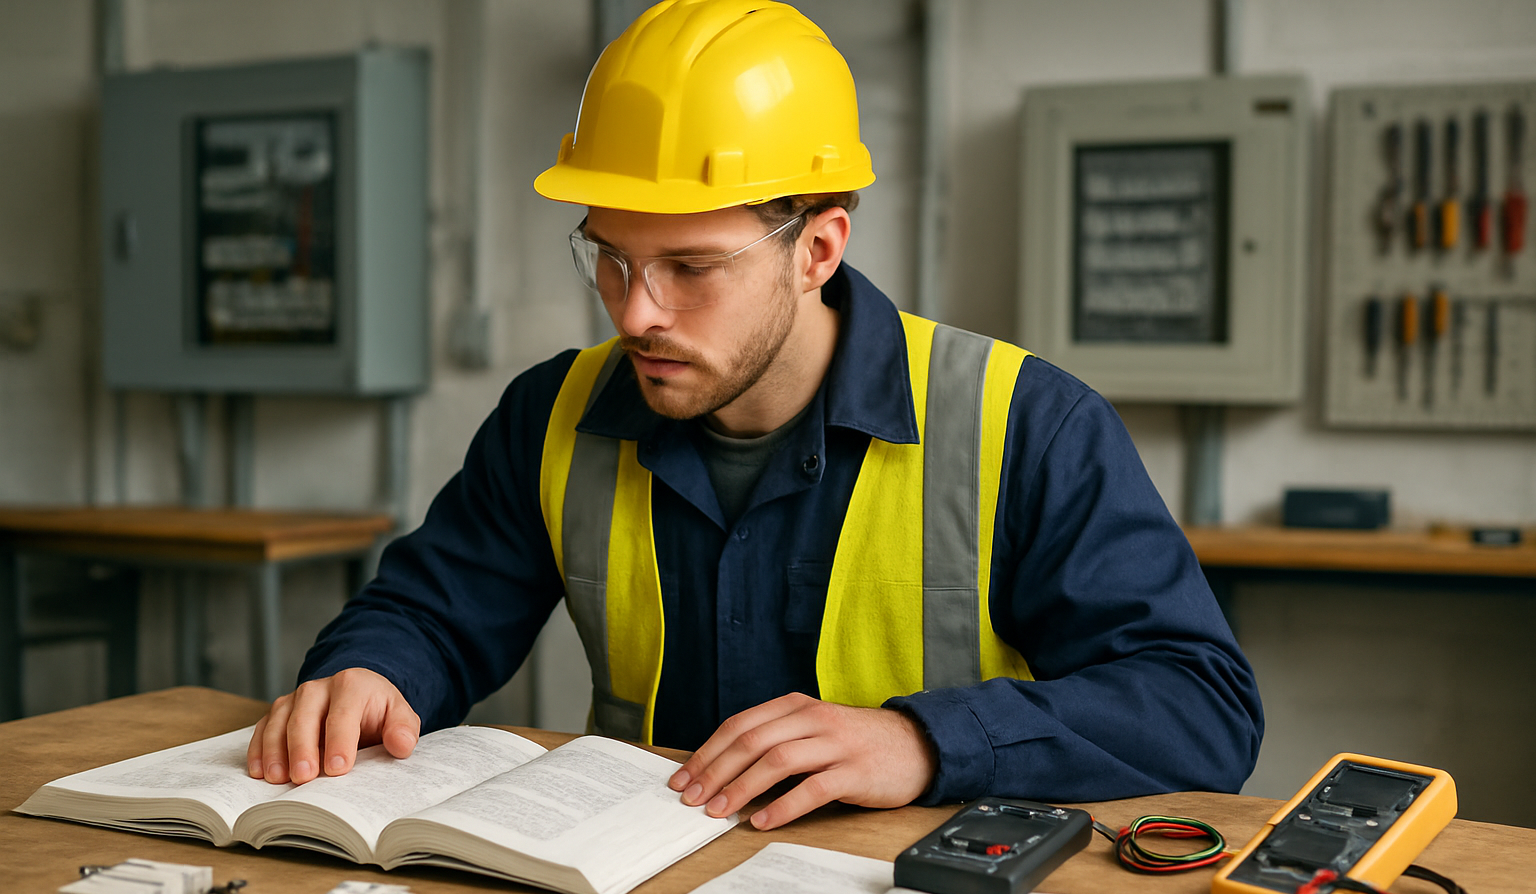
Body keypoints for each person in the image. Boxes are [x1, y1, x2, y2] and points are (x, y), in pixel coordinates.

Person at [246, 0, 1261, 831]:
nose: (636, 310)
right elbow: (431, 609)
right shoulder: (552, 415)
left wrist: (921, 741)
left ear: (816, 249)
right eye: (610, 256)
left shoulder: (1026, 425)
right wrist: (370, 669)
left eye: (690, 268)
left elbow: (1200, 704)